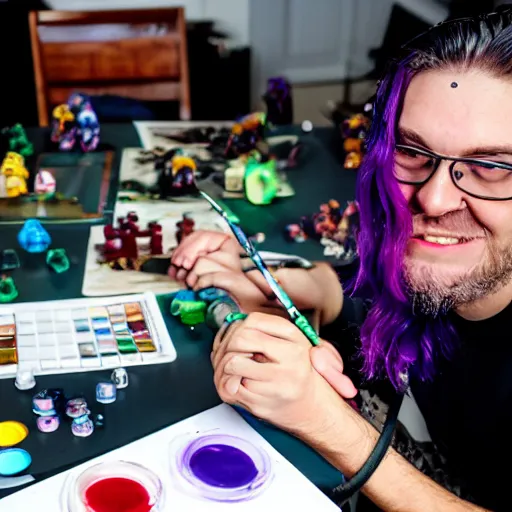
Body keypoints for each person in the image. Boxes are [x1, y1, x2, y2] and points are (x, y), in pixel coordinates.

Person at [169, 7, 512, 511]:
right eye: (411, 152)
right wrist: (266, 280)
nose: (435, 201)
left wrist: (329, 423)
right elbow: (361, 284)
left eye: (489, 167)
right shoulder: (436, 267)